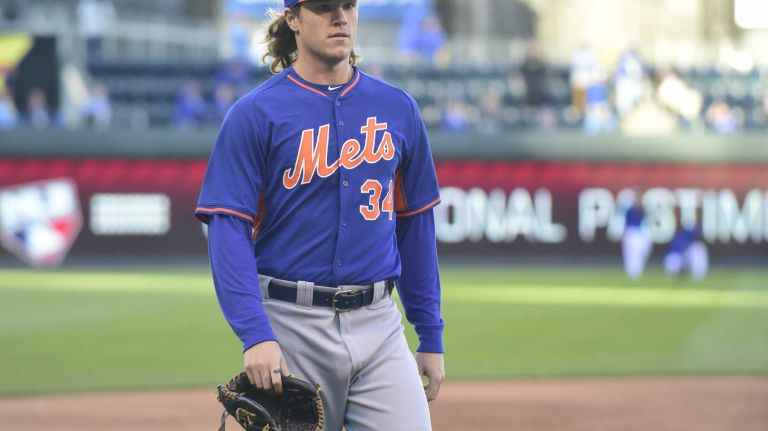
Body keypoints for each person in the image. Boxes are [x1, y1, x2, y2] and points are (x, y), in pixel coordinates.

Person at [195, 1, 445, 430]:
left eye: (348, 5)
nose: (340, 17)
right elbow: (227, 230)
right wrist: (256, 334)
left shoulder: (398, 108)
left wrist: (430, 332)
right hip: (292, 324)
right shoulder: (254, 115)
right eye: (324, 7)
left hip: (380, 323)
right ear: (292, 18)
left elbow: (415, 224)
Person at [619, 190, 651, 279]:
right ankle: (632, 272)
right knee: (630, 253)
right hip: (631, 231)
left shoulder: (641, 209)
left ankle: (636, 272)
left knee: (639, 252)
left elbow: (645, 216)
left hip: (639, 232)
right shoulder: (629, 209)